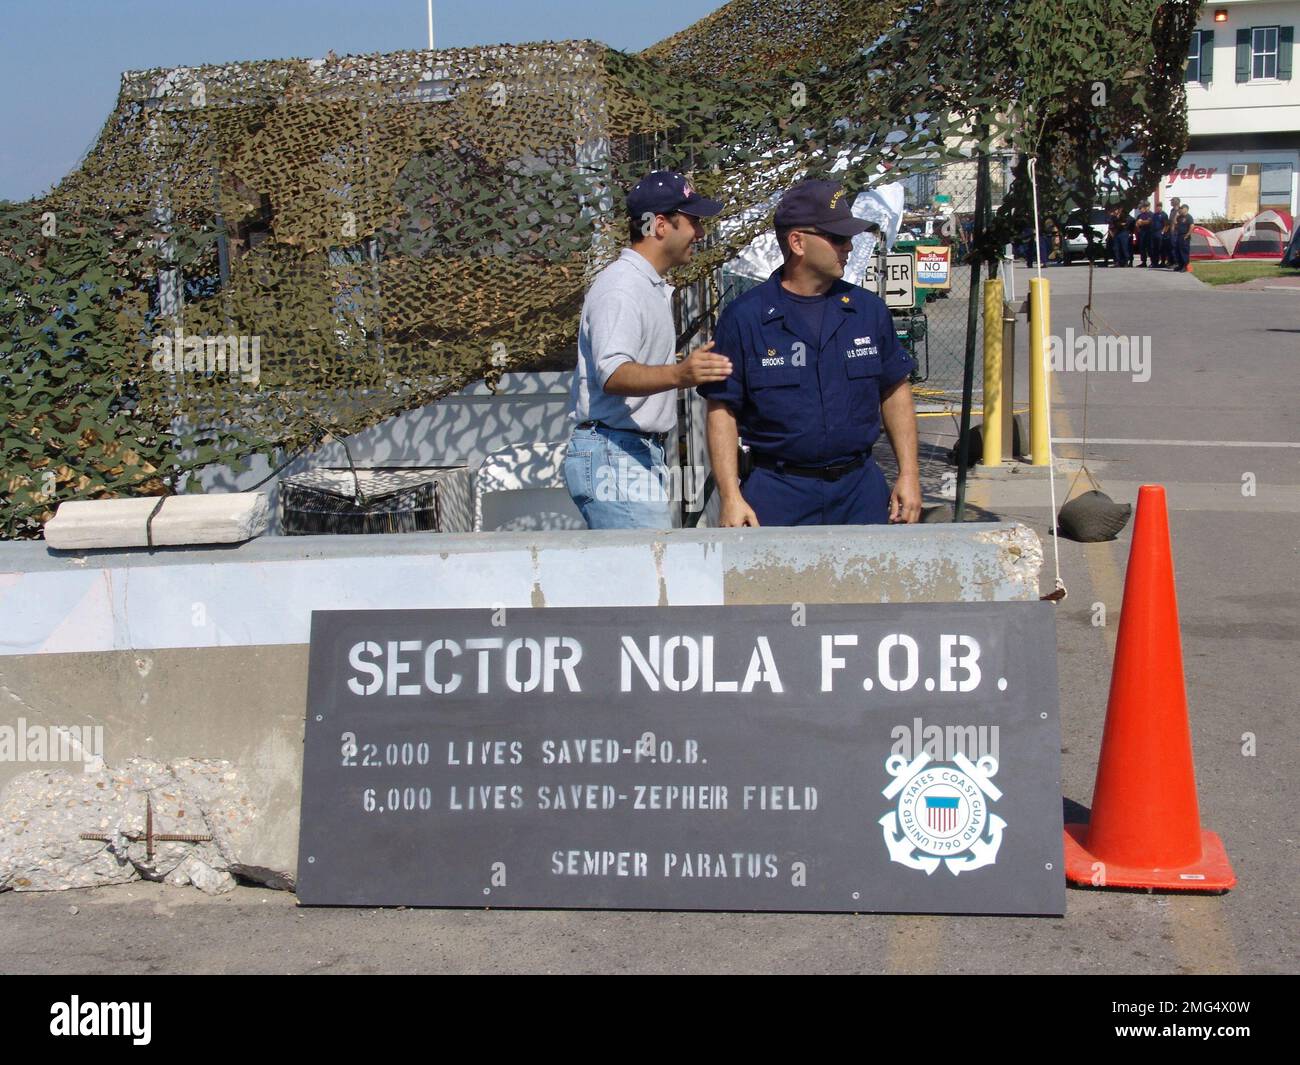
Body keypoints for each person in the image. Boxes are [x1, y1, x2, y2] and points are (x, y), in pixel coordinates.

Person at [698, 179, 922, 527]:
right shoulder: (745, 318)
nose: (848, 246)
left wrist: (909, 474)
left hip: (858, 492)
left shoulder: (867, 311)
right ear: (797, 242)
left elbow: (894, 390)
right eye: (837, 237)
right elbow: (722, 409)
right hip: (777, 493)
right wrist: (730, 495)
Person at [563, 171, 732, 528]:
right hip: (614, 451)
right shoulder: (623, 288)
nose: (699, 234)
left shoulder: (642, 286)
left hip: (625, 451)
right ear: (659, 225)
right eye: (693, 222)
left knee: (641, 574)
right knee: (643, 575)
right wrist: (680, 374)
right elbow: (614, 373)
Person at [1172, 204, 1194, 272]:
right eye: (1180, 208)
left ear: (1186, 209)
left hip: (1185, 236)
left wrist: (1187, 234)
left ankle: (1185, 266)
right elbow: (1175, 222)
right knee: (1178, 251)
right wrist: (1176, 214)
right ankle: (1180, 265)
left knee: (1184, 251)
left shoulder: (1189, 217)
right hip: (1179, 235)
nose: (1181, 209)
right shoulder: (1180, 217)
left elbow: (1192, 226)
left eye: (1182, 208)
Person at [1148, 201, 1169, 267]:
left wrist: (1163, 232)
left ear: (1161, 207)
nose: (1158, 208)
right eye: (1157, 207)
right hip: (1154, 233)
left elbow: (1166, 225)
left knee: (1161, 248)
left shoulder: (1164, 215)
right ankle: (1154, 262)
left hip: (1160, 233)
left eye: (1159, 206)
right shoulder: (1155, 215)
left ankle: (1163, 262)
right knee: (1154, 248)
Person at [1134, 201, 1153, 267]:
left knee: (1149, 248)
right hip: (1142, 233)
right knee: (1142, 248)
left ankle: (1152, 262)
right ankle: (1143, 262)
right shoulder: (1140, 215)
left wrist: (1142, 222)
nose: (1140, 209)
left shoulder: (1150, 214)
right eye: (1140, 208)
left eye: (1141, 208)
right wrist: (1139, 225)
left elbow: (1149, 222)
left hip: (1148, 233)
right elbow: (1136, 223)